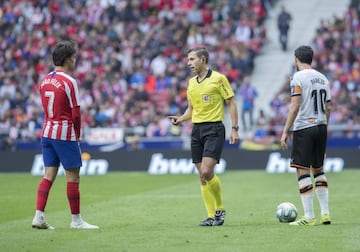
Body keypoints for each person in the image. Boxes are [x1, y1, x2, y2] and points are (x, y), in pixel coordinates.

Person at [168, 47, 240, 226]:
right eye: (188, 60)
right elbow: (191, 110)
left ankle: (220, 210)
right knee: (202, 176)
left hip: (214, 128)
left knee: (207, 171)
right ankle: (210, 216)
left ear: (203, 59)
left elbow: (231, 102)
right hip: (197, 130)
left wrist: (235, 128)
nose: (188, 63)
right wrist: (181, 119)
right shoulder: (191, 83)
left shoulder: (218, 79)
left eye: (192, 59)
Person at [32, 40, 99, 230]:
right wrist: (77, 135)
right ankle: (76, 221)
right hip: (64, 133)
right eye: (74, 57)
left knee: (48, 175)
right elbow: (76, 113)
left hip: (47, 132)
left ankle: (39, 216)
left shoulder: (44, 80)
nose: (75, 60)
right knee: (73, 177)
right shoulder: (70, 82)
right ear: (68, 59)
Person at [280, 45, 331, 226]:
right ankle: (326, 214)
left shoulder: (298, 77)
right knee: (318, 169)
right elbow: (328, 107)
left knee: (302, 171)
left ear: (296, 59)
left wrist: (285, 130)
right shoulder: (323, 78)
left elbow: (294, 105)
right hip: (321, 126)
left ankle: (309, 217)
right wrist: (325, 125)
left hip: (304, 127)